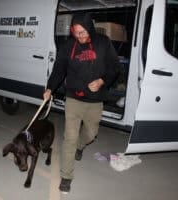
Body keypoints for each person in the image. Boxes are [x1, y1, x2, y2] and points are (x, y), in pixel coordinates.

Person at [43, 13, 120, 194]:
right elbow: (59, 70)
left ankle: (81, 146)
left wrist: (102, 81)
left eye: (83, 32)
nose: (80, 36)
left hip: (95, 100)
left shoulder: (103, 42)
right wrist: (49, 88)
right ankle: (66, 177)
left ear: (90, 28)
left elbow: (114, 67)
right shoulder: (68, 46)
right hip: (73, 99)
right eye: (76, 33)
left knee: (91, 134)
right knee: (69, 137)